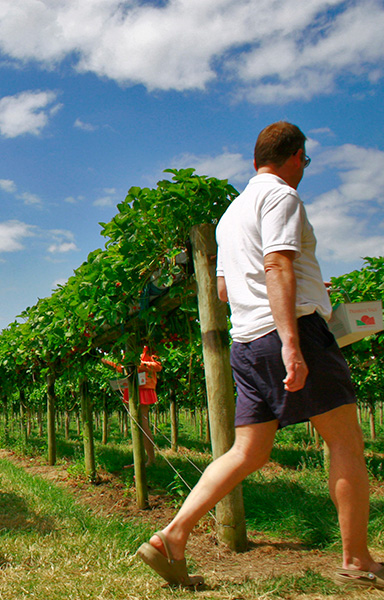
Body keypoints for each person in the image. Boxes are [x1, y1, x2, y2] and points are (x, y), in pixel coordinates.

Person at [137, 122, 382, 589]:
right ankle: (357, 559)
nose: (303, 170)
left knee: (247, 450)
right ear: (295, 157)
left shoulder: (230, 217)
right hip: (291, 332)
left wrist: (303, 291)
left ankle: (172, 535)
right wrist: (293, 341)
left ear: (254, 161)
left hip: (245, 342)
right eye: (304, 162)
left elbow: (227, 290)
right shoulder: (282, 197)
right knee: (346, 442)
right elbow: (276, 263)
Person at [102, 346, 161, 466]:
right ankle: (140, 460)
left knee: (143, 424)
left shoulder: (148, 348)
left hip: (143, 388)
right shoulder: (128, 349)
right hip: (132, 386)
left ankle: (150, 459)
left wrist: (138, 364)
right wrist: (105, 362)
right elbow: (121, 369)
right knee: (135, 424)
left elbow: (158, 366)